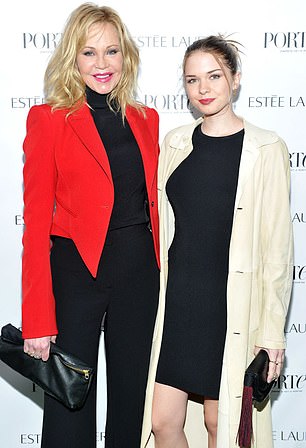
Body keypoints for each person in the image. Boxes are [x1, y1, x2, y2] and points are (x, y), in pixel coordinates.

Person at [140, 35, 293, 448]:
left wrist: (271, 336)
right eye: (192, 80)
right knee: (161, 421)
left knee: (217, 424)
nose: (203, 89)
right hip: (178, 303)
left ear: (235, 80)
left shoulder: (266, 149)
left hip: (228, 306)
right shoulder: (174, 143)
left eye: (214, 77)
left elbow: (278, 251)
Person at [22, 3, 160, 447]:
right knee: (68, 404)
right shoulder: (48, 119)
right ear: (72, 58)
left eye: (111, 51)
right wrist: (37, 320)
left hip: (139, 273)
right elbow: (37, 223)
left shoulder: (146, 120)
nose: (102, 64)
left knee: (131, 403)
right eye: (89, 53)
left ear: (126, 57)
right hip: (76, 272)